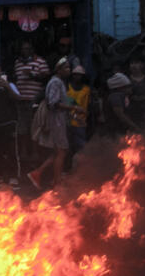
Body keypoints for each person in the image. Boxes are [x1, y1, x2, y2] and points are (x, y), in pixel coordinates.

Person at [26, 59, 74, 191]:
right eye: (66, 68)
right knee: (61, 151)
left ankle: (38, 173)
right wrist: (73, 109)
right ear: (58, 69)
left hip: (58, 121)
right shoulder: (56, 82)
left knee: (58, 151)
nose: (68, 70)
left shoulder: (58, 82)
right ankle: (56, 182)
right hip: (56, 122)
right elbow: (53, 103)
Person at [13, 41, 49, 164]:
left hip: (34, 101)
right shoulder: (17, 63)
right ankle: (23, 152)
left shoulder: (40, 61)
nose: (25, 51)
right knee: (22, 128)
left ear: (32, 50)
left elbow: (46, 78)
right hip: (21, 100)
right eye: (23, 49)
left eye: (28, 49)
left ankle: (35, 153)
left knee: (34, 127)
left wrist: (32, 75)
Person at [65, 66, 91, 157]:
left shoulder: (87, 89)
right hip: (67, 122)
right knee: (66, 147)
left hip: (80, 122)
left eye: (80, 75)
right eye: (75, 75)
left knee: (81, 148)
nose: (77, 77)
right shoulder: (67, 87)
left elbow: (89, 105)